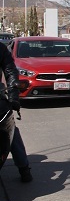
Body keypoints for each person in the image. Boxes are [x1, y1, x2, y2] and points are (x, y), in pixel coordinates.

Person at [0, 42, 31, 182]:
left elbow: (10, 72)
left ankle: (24, 168)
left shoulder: (0, 48)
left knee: (11, 132)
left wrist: (13, 98)